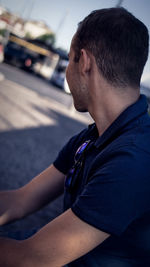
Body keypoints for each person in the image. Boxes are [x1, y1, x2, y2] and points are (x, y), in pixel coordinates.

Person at [0, 7, 150, 266]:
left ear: (85, 62)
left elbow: (33, 258)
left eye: (70, 59)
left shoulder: (134, 159)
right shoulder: (93, 137)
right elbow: (22, 198)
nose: (68, 70)